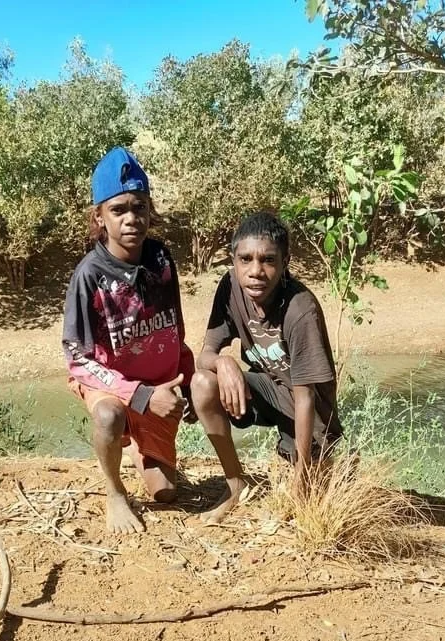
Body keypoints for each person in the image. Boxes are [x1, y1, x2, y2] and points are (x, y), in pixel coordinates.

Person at [63, 146, 195, 534]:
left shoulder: (160, 260)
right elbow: (76, 357)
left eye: (139, 207)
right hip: (113, 385)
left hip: (158, 387)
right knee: (108, 416)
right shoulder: (89, 276)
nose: (131, 218)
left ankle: (139, 442)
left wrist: (184, 380)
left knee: (166, 493)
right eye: (118, 209)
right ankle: (115, 493)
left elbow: (175, 329)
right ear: (99, 217)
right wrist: (139, 396)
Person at [191, 211, 343, 523]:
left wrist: (301, 476)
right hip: (266, 389)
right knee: (203, 383)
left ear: (286, 262)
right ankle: (235, 486)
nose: (255, 271)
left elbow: (306, 397)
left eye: (268, 260)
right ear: (233, 260)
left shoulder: (301, 309)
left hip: (308, 409)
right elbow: (205, 354)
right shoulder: (230, 286)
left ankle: (315, 466)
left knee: (308, 504)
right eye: (245, 259)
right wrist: (224, 362)